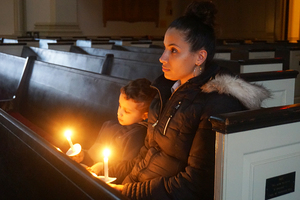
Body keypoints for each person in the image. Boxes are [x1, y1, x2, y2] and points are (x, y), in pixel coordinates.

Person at [105, 1, 271, 199]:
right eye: (165, 48)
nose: (162, 57)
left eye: (173, 50)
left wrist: (128, 192)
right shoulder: (164, 92)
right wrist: (109, 171)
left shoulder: (217, 103)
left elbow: (195, 183)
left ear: (200, 57)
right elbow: (147, 155)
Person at [69, 78, 157, 174]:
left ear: (145, 115)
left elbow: (126, 169)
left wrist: (103, 168)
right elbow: (94, 155)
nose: (120, 113)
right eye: (120, 106)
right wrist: (83, 156)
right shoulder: (109, 125)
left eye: (127, 111)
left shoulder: (137, 135)